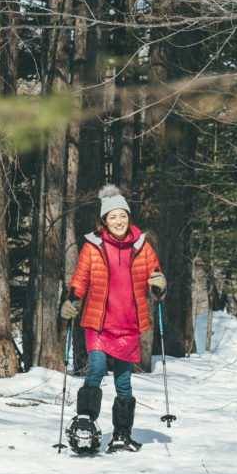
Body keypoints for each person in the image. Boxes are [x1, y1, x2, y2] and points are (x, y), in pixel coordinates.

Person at [61, 185, 166, 453]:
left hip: (128, 325)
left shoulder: (142, 247)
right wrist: (72, 300)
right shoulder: (93, 247)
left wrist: (159, 285)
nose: (118, 221)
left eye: (122, 216)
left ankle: (121, 434)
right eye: (112, 217)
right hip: (98, 323)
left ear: (128, 217)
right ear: (104, 221)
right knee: (95, 367)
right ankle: (84, 422)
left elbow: (155, 279)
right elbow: (80, 279)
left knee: (123, 382)